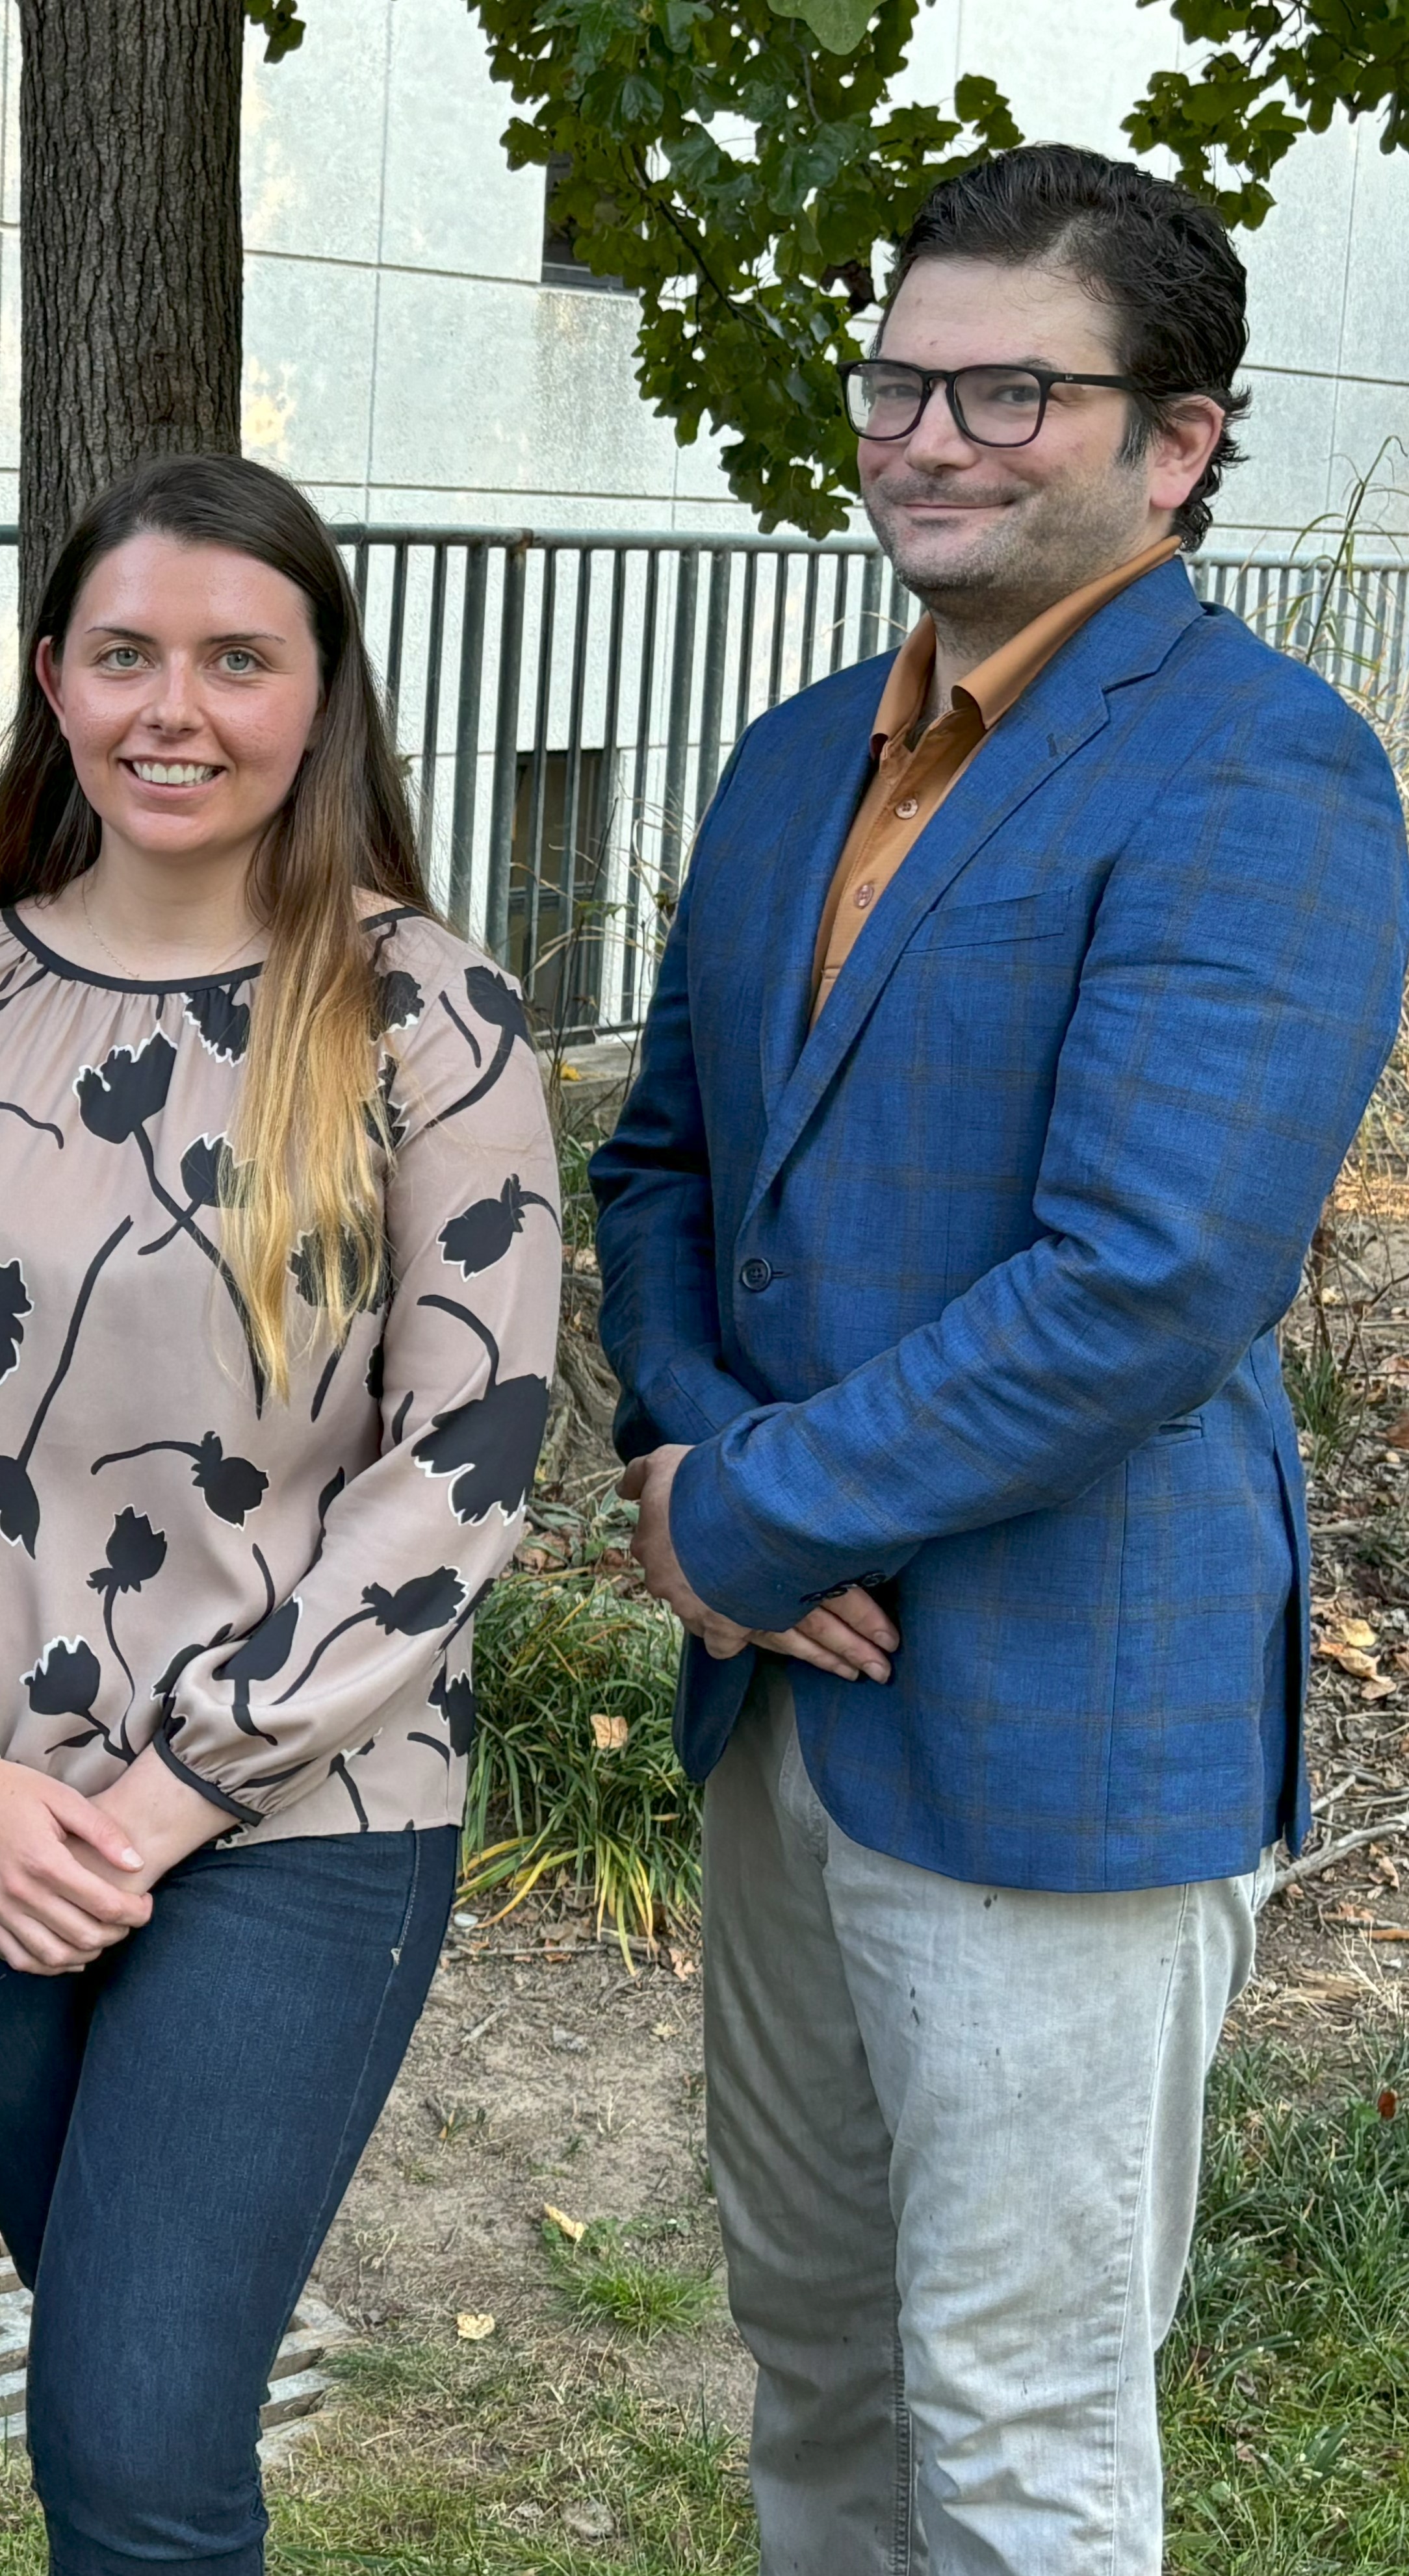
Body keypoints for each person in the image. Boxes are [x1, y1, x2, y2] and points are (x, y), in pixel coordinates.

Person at [592, 144, 1409, 2575]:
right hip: (785, 1700)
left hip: (1061, 1715)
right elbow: (666, 1173)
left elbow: (1144, 1282)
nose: (931, 435)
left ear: (1175, 445)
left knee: (1024, 2418)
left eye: (1010, 392)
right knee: (818, 2349)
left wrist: (737, 1521)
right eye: (899, 381)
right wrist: (702, 1458)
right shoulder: (790, 759)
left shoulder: (1262, 771)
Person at [0, 453, 559, 2576]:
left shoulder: (426, 1016)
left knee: (128, 2445)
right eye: (124, 654)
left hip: (295, 1824)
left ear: (321, 694)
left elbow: (467, 1453)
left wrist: (180, 1790)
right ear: (52, 679)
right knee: (131, 2398)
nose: (173, 708)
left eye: (236, 658)